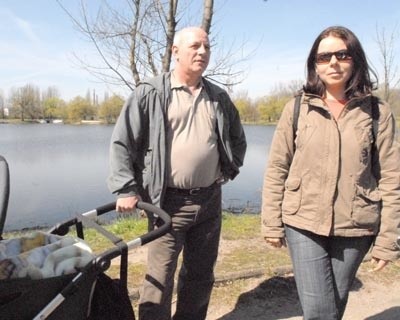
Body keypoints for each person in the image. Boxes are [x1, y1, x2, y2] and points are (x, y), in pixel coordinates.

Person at [107, 26, 247, 320]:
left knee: (200, 276)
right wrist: (126, 188)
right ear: (175, 52)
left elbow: (237, 139)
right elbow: (123, 142)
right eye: (195, 46)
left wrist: (228, 168)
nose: (203, 52)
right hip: (166, 204)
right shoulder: (151, 93)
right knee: (159, 279)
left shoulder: (218, 97)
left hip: (209, 201)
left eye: (207, 47)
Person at [261, 25, 400, 320]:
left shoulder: (377, 112)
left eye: (342, 54)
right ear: (314, 64)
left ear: (355, 59)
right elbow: (277, 167)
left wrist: (389, 239)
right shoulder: (297, 108)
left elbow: (391, 178)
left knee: (334, 304)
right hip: (302, 221)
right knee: (319, 310)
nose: (333, 62)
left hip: (356, 224)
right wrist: (271, 221)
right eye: (324, 57)